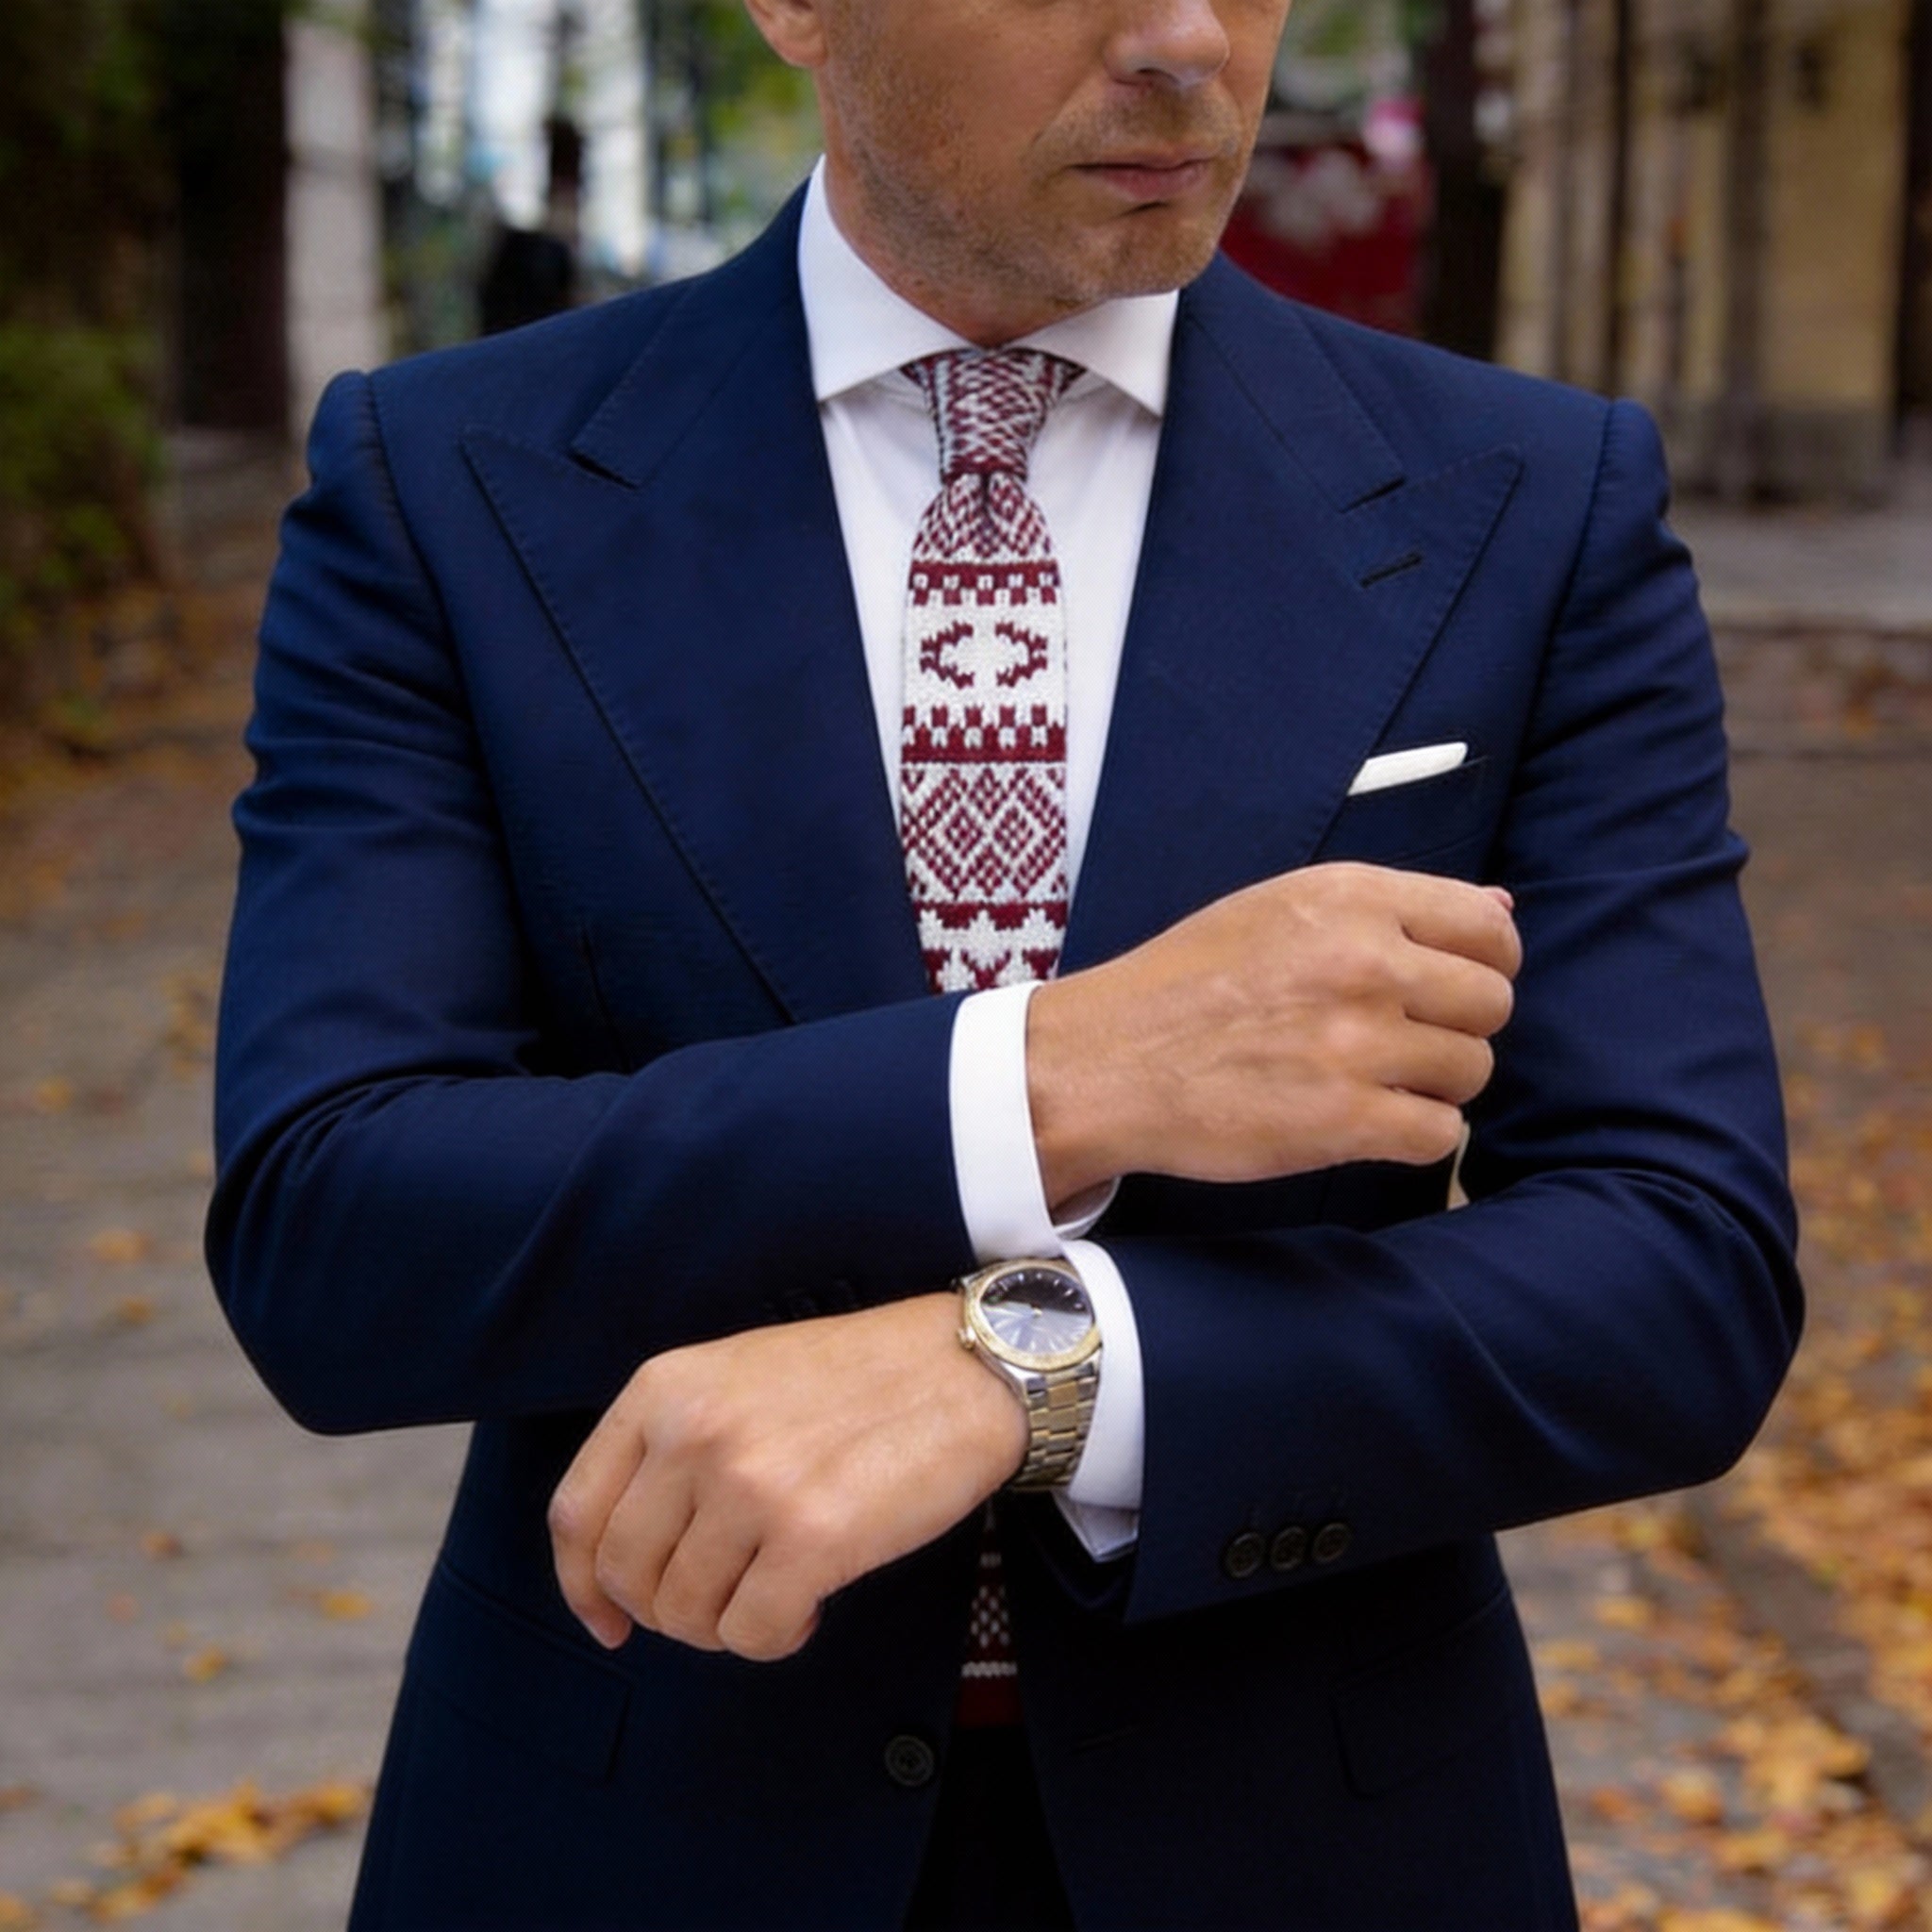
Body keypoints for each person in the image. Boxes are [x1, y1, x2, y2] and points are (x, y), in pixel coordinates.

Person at [207, 0, 1801, 1926]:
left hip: (1318, 1836)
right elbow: (334, 1232)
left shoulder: (1527, 505)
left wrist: (1032, 1371)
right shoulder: (449, 487)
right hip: (637, 1823)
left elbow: (1677, 1267)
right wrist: (1045, 1080)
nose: (1187, 37)